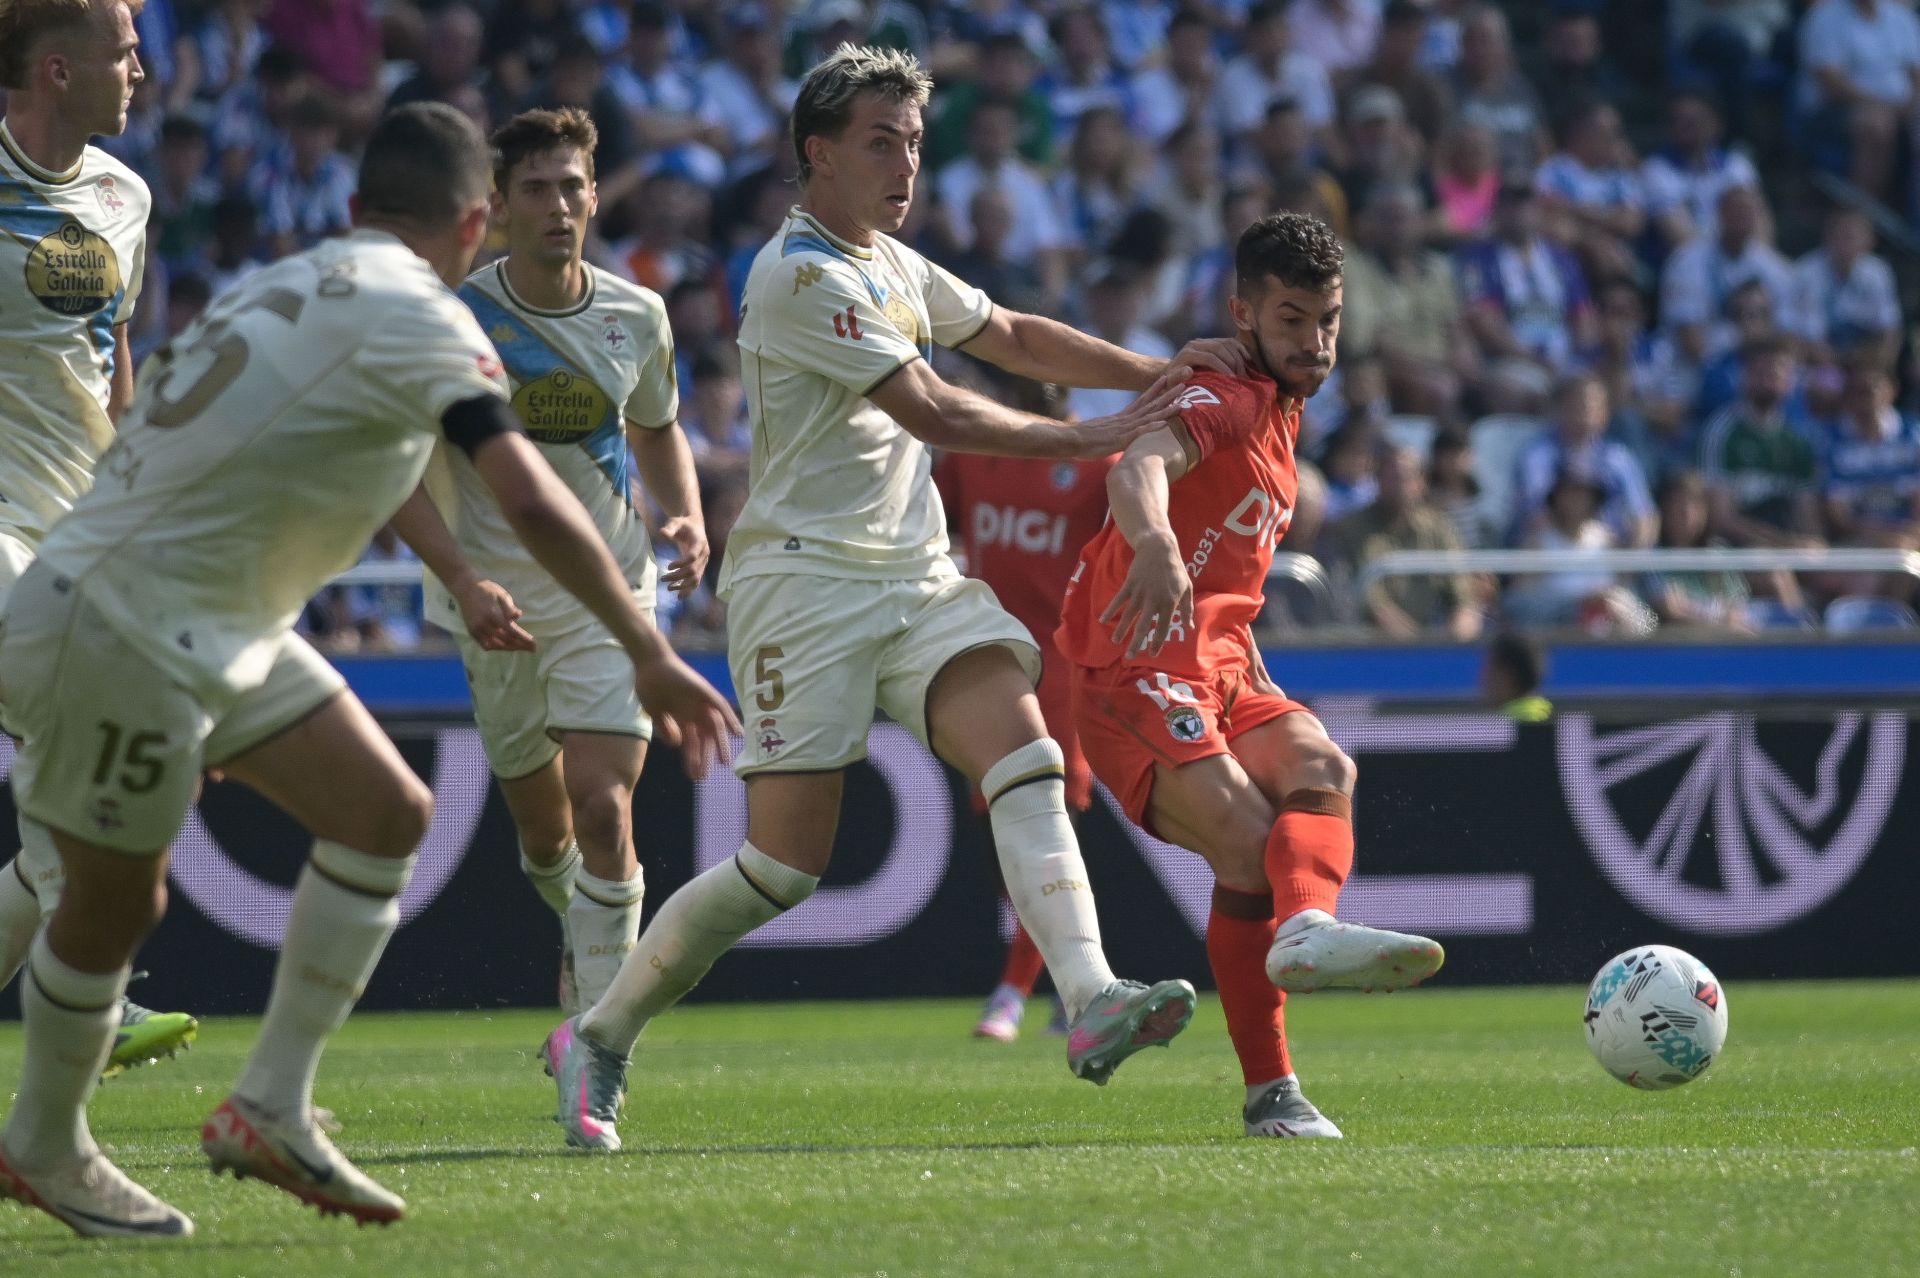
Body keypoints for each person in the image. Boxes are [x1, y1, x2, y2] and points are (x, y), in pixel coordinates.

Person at [0, 102, 739, 1237]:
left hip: (189, 603)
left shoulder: (283, 281)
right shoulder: (428, 319)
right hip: (121, 614)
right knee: (111, 898)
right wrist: (654, 650)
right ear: (480, 218)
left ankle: (268, 1107)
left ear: (358, 211)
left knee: (385, 809)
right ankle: (47, 1145)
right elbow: (533, 498)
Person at [541, 45, 1219, 1154]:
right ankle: (602, 1033)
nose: (906, 162)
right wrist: (1091, 432)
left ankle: (1090, 997)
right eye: (880, 141)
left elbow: (1004, 334)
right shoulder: (799, 274)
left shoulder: (894, 261)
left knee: (1025, 748)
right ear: (819, 154)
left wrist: (1153, 373)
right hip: (803, 582)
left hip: (915, 574)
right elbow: (935, 408)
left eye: (912, 140)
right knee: (783, 869)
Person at [1057, 212, 1446, 1142]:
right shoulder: (1226, 397)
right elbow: (1139, 466)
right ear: (1244, 313)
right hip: (1131, 665)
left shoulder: (1284, 407)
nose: (1314, 342)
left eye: (1328, 321)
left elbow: (1226, 551)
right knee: (1245, 842)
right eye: (1291, 320)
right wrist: (1152, 545)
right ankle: (1273, 1090)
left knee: (1326, 769)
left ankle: (1305, 931)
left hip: (1221, 663)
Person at [387, 106, 707, 1019]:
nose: (559, 205)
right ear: (497, 205)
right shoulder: (453, 321)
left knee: (605, 809)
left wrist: (681, 512)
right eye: (537, 189)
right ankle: (585, 933)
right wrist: (459, 577)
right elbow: (396, 477)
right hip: (498, 609)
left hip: (611, 598)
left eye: (573, 186)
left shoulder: (638, 314)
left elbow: (655, 430)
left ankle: (598, 1041)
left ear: (596, 196)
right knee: (547, 836)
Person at [0, 0, 196, 1080]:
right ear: (60, 68)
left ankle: (75, 978)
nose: (143, 68)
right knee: (67, 719)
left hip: (82, 523)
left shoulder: (127, 195)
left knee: (90, 768)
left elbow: (108, 346)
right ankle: (92, 991)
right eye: (126, 51)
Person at [935, 379, 1111, 1042]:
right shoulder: (973, 455)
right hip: (986, 658)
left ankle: (1015, 988)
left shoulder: (1098, 466)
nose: (1043, 387)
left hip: (1064, 667)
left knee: (1047, 821)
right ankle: (1067, 979)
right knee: (1000, 834)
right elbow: (930, 525)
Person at [1481, 631, 1551, 721]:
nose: (1484, 677)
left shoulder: (1501, 726)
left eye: (1489, 668)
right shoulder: (1550, 714)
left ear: (1508, 676)